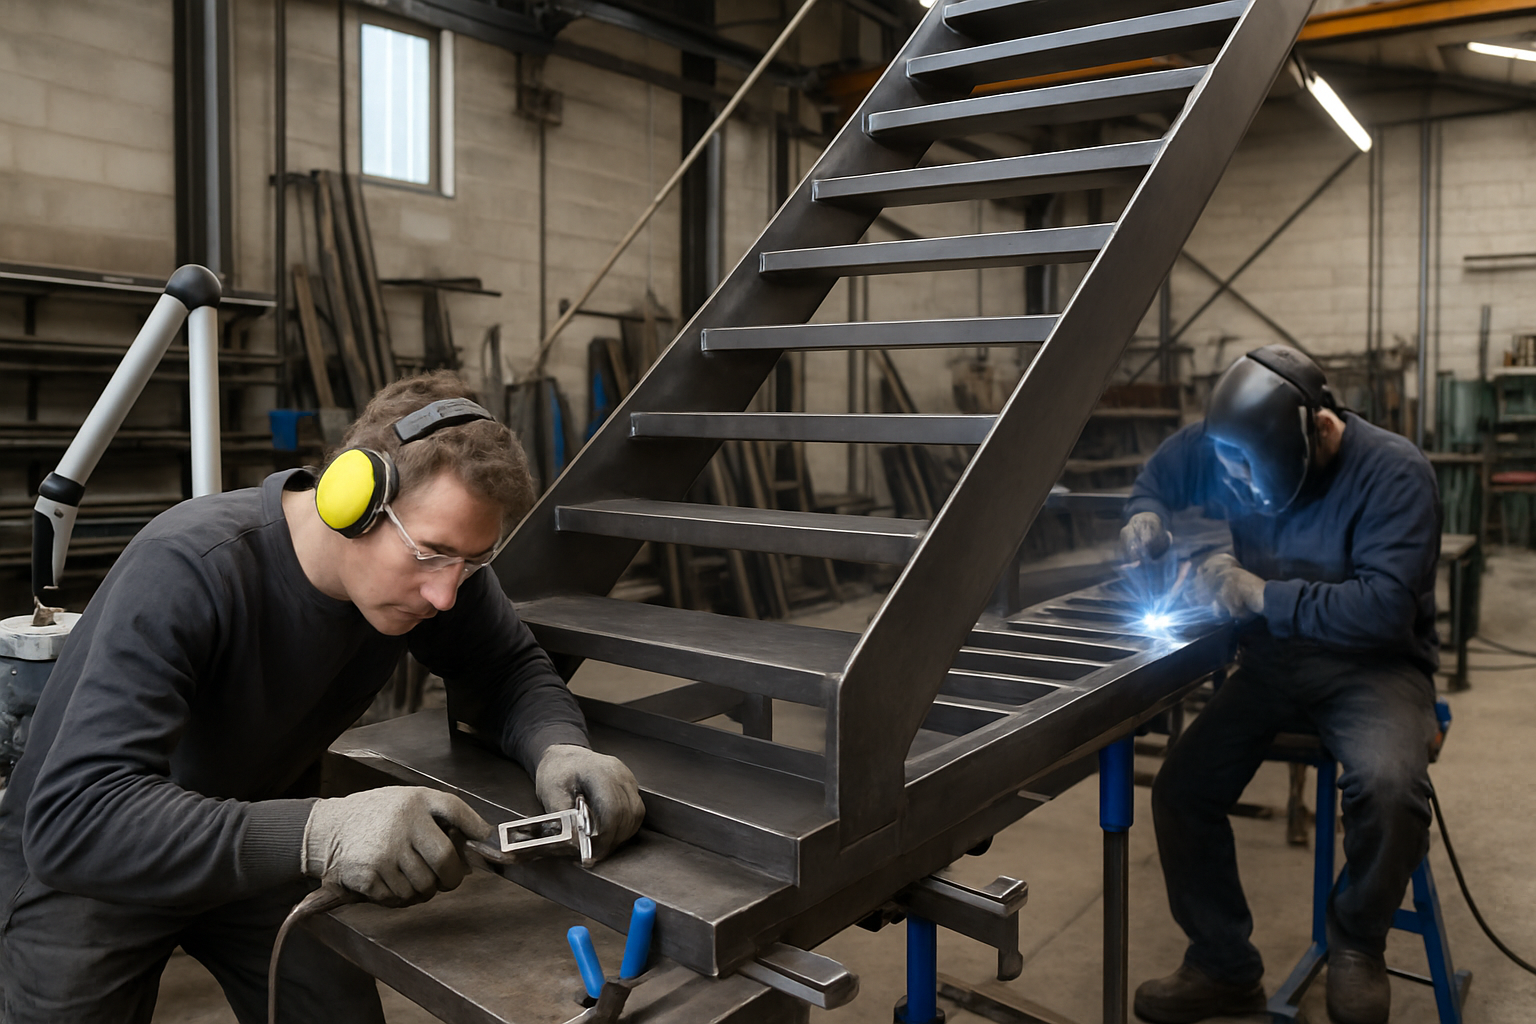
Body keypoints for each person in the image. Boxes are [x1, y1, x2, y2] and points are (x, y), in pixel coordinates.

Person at [0, 371, 646, 1023]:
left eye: (471, 562)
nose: (446, 594)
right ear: (350, 499)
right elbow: (74, 819)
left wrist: (559, 747)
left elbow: (506, 667)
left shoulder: (442, 578)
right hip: (97, 861)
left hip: (261, 840)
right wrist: (322, 830)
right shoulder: (189, 568)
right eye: (430, 553)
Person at [1124, 346, 1441, 1024]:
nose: (1231, 482)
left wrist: (1259, 594)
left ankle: (1356, 943)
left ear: (1319, 431)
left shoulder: (1395, 473)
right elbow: (1165, 472)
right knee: (1182, 790)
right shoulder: (1234, 442)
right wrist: (1144, 510)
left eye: (1248, 471)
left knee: (1391, 790)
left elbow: (1384, 610)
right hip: (1273, 664)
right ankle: (1222, 965)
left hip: (1373, 667)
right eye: (1227, 467)